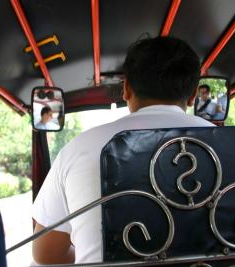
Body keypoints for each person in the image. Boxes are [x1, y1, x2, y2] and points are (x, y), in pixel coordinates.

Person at [32, 36, 214, 264]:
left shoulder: (79, 148)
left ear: (126, 89)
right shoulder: (234, 144)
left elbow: (45, 254)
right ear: (194, 94)